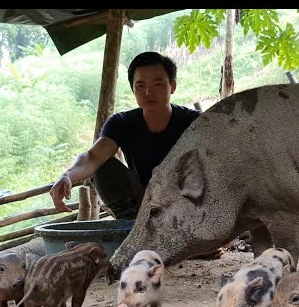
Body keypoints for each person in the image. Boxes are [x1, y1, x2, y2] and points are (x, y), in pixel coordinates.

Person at [49, 51, 223, 259]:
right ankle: (135, 232)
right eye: (141, 85)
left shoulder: (194, 122)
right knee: (103, 167)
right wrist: (67, 176)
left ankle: (192, 239)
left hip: (187, 204)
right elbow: (92, 157)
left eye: (158, 84)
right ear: (133, 90)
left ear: (172, 86)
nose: (149, 92)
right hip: (144, 207)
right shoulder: (122, 123)